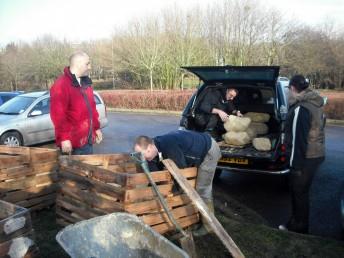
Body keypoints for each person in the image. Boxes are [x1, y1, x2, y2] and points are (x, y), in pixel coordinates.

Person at [134, 130, 221, 235]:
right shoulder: (154, 150)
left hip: (208, 150)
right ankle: (193, 217)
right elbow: (154, 173)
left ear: (150, 147)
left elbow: (181, 172)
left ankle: (209, 225)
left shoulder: (169, 146)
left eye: (144, 155)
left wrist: (172, 192)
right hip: (192, 152)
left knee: (202, 189)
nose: (144, 159)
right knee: (182, 187)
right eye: (141, 156)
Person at [279, 74, 326, 233]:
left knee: (298, 193)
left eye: (289, 90)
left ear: (292, 88)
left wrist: (294, 166)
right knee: (302, 193)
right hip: (316, 154)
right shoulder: (315, 103)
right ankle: (297, 223)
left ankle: (298, 228)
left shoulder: (301, 108)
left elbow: (299, 140)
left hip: (305, 158)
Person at [50, 51, 103, 155]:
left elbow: (92, 109)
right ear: (78, 64)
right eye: (87, 64)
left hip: (87, 141)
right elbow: (58, 115)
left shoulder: (85, 83)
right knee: (74, 171)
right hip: (72, 144)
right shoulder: (61, 85)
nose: (90, 67)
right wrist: (64, 138)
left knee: (88, 170)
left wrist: (96, 128)